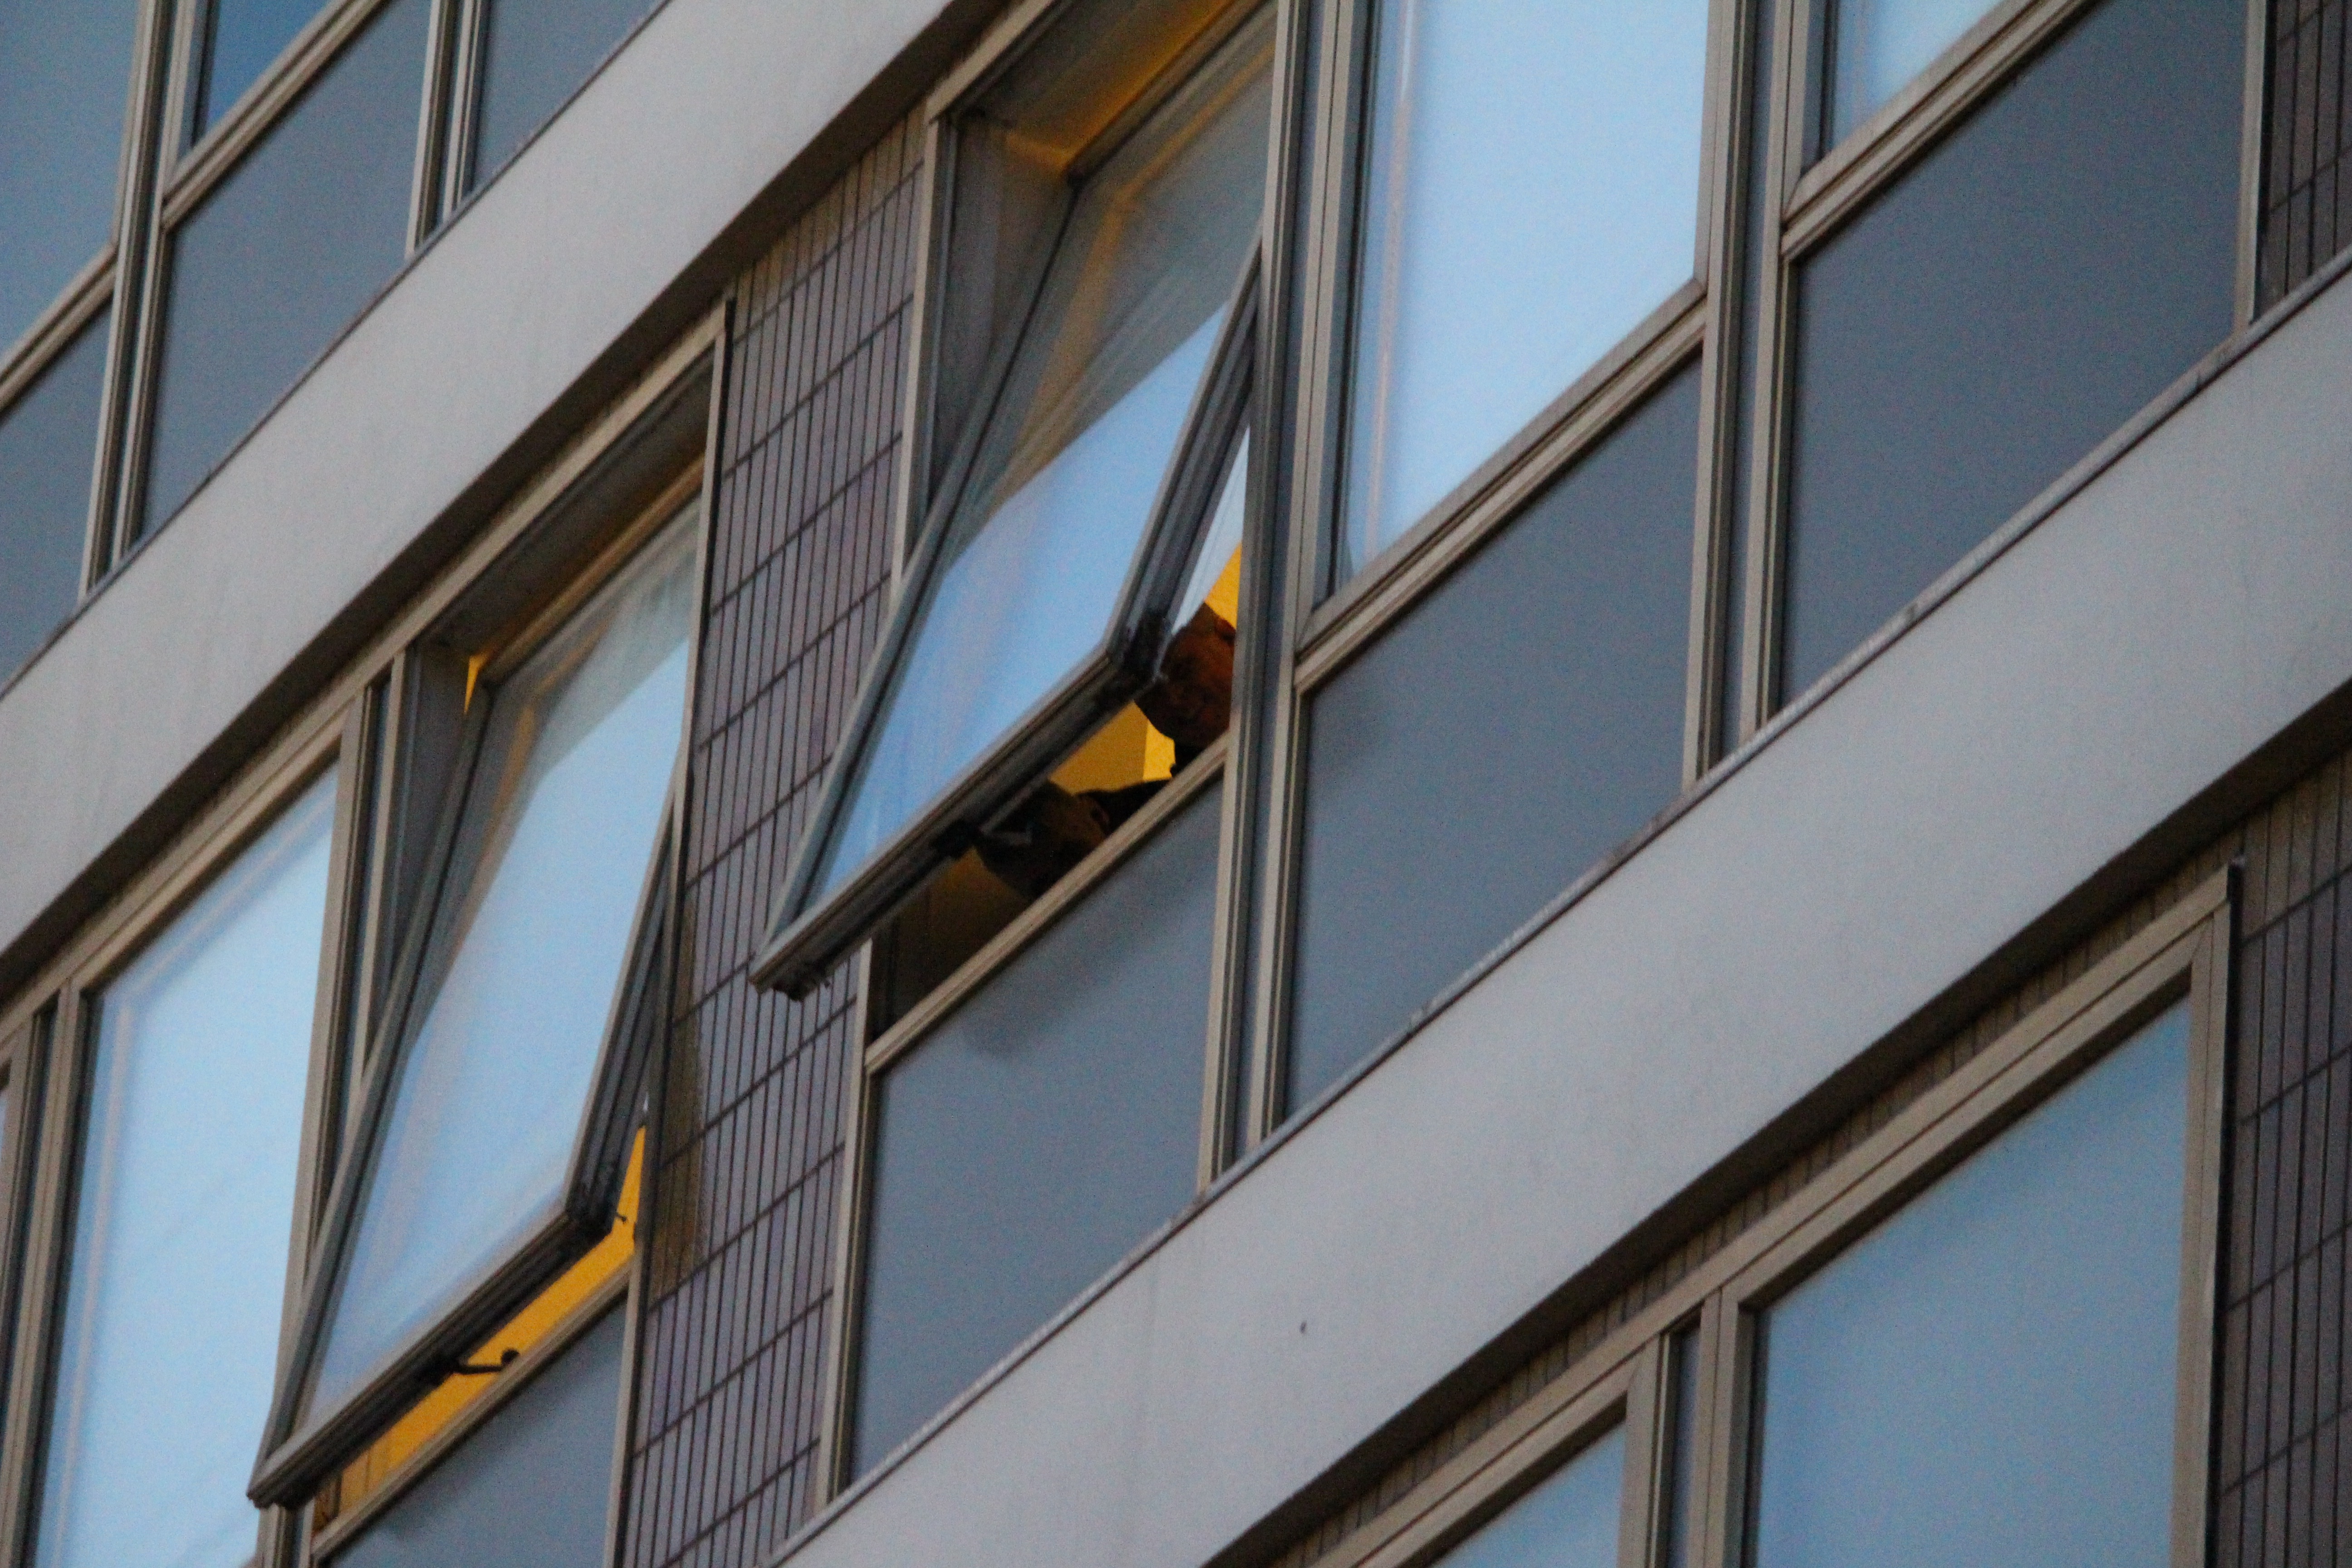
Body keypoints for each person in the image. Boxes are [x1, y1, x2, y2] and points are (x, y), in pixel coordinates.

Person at [975, 602, 1234, 897]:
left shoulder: (1297, 669)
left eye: (1181, 670)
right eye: (1148, 696)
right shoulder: (1180, 812)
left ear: (1228, 635)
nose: (1174, 700)